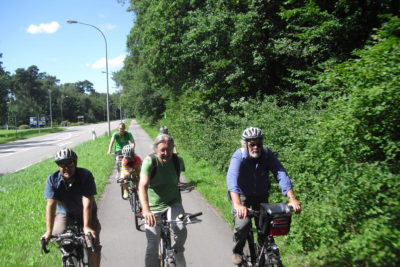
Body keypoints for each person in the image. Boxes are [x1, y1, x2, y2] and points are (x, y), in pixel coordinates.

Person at [226, 127, 301, 265]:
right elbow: (231, 179)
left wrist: (291, 197)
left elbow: (280, 173)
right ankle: (237, 250)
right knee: (243, 224)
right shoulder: (239, 155)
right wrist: (237, 204)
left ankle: (263, 254)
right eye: (252, 144)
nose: (256, 147)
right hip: (242, 196)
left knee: (266, 228)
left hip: (261, 196)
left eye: (258, 144)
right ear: (246, 144)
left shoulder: (267, 154)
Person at [41, 148, 101, 267]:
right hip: (66, 213)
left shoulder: (85, 176)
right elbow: (51, 206)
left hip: (87, 213)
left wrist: (87, 226)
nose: (66, 167)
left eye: (70, 163)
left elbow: (87, 203)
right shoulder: (52, 180)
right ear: (58, 166)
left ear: (76, 163)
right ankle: (69, 256)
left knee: (92, 245)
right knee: (58, 234)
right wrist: (48, 232)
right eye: (62, 164)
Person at [139, 134, 186, 267]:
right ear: (156, 149)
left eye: (169, 149)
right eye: (162, 150)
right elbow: (142, 186)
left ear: (173, 148)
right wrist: (146, 211)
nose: (166, 153)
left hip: (173, 203)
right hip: (153, 207)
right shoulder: (150, 162)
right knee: (152, 246)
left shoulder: (178, 161)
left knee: (181, 228)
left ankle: (178, 251)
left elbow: (176, 180)